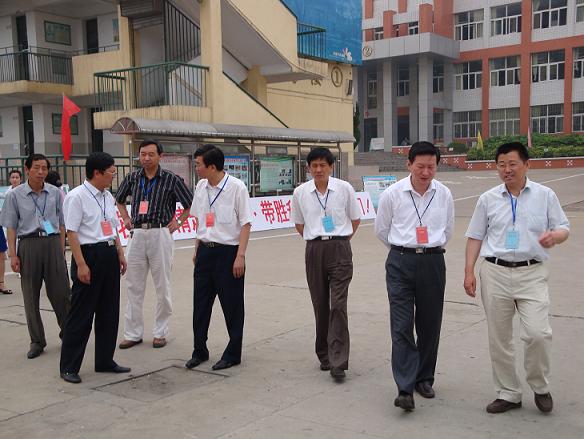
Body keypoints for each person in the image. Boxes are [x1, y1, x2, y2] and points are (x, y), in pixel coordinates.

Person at [464, 142, 569, 414]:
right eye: (501, 165)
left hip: (532, 272)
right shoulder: (488, 199)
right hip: (495, 272)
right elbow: (475, 236)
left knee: (538, 333)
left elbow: (563, 227)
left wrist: (555, 236)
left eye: (512, 164)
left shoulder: (545, 195)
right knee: (499, 338)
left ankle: (540, 385)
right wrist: (469, 271)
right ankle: (508, 392)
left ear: (526, 165)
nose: (506, 169)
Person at [374, 141, 454, 411]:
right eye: (420, 166)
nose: (425, 172)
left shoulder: (444, 194)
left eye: (431, 167)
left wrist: (427, 249)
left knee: (430, 324)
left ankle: (424, 378)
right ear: (409, 165)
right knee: (401, 325)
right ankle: (405, 387)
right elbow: (381, 229)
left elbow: (448, 230)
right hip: (400, 262)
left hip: (433, 261)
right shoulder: (393, 194)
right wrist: (403, 250)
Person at [290, 147, 361, 381]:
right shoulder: (300, 192)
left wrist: (341, 240)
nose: (318, 169)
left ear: (331, 167)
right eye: (314, 166)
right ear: (308, 168)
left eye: (323, 165)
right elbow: (299, 224)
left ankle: (338, 361)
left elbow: (355, 219)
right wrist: (317, 239)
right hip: (314, 249)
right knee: (320, 304)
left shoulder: (344, 189)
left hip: (340, 248)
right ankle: (324, 354)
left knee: (338, 305)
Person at [59, 152, 130, 384]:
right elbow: (72, 232)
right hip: (88, 255)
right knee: (81, 314)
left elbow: (112, 226)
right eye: (111, 172)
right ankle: (69, 366)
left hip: (108, 253)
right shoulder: (76, 197)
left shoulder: (107, 196)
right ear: (97, 173)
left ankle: (105, 360)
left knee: (109, 311)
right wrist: (81, 264)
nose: (113, 175)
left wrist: (120, 252)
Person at [116, 140, 193, 349]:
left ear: (160, 156)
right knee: (133, 285)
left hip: (160, 233)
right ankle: (133, 333)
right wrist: (125, 218)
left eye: (151, 154)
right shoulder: (132, 178)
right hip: (137, 233)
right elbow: (119, 200)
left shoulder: (171, 179)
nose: (146, 158)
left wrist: (178, 222)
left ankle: (160, 332)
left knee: (162, 285)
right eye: (143, 154)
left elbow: (189, 204)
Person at [185, 144, 252, 371]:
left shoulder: (236, 187)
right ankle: (199, 351)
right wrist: (197, 248)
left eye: (198, 165)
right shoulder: (201, 186)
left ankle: (233, 353)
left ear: (212, 166)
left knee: (232, 306)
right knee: (200, 305)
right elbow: (200, 220)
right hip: (205, 252)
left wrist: (240, 256)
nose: (196, 168)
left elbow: (246, 223)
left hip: (228, 253)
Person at [0, 154, 70, 358]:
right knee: (30, 295)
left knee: (62, 292)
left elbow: (62, 223)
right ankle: (37, 341)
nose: (41, 172)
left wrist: (60, 248)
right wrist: (13, 255)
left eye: (44, 168)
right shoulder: (15, 195)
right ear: (27, 169)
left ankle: (68, 333)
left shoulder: (55, 193)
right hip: (28, 244)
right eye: (36, 168)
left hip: (52, 243)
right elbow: (11, 227)